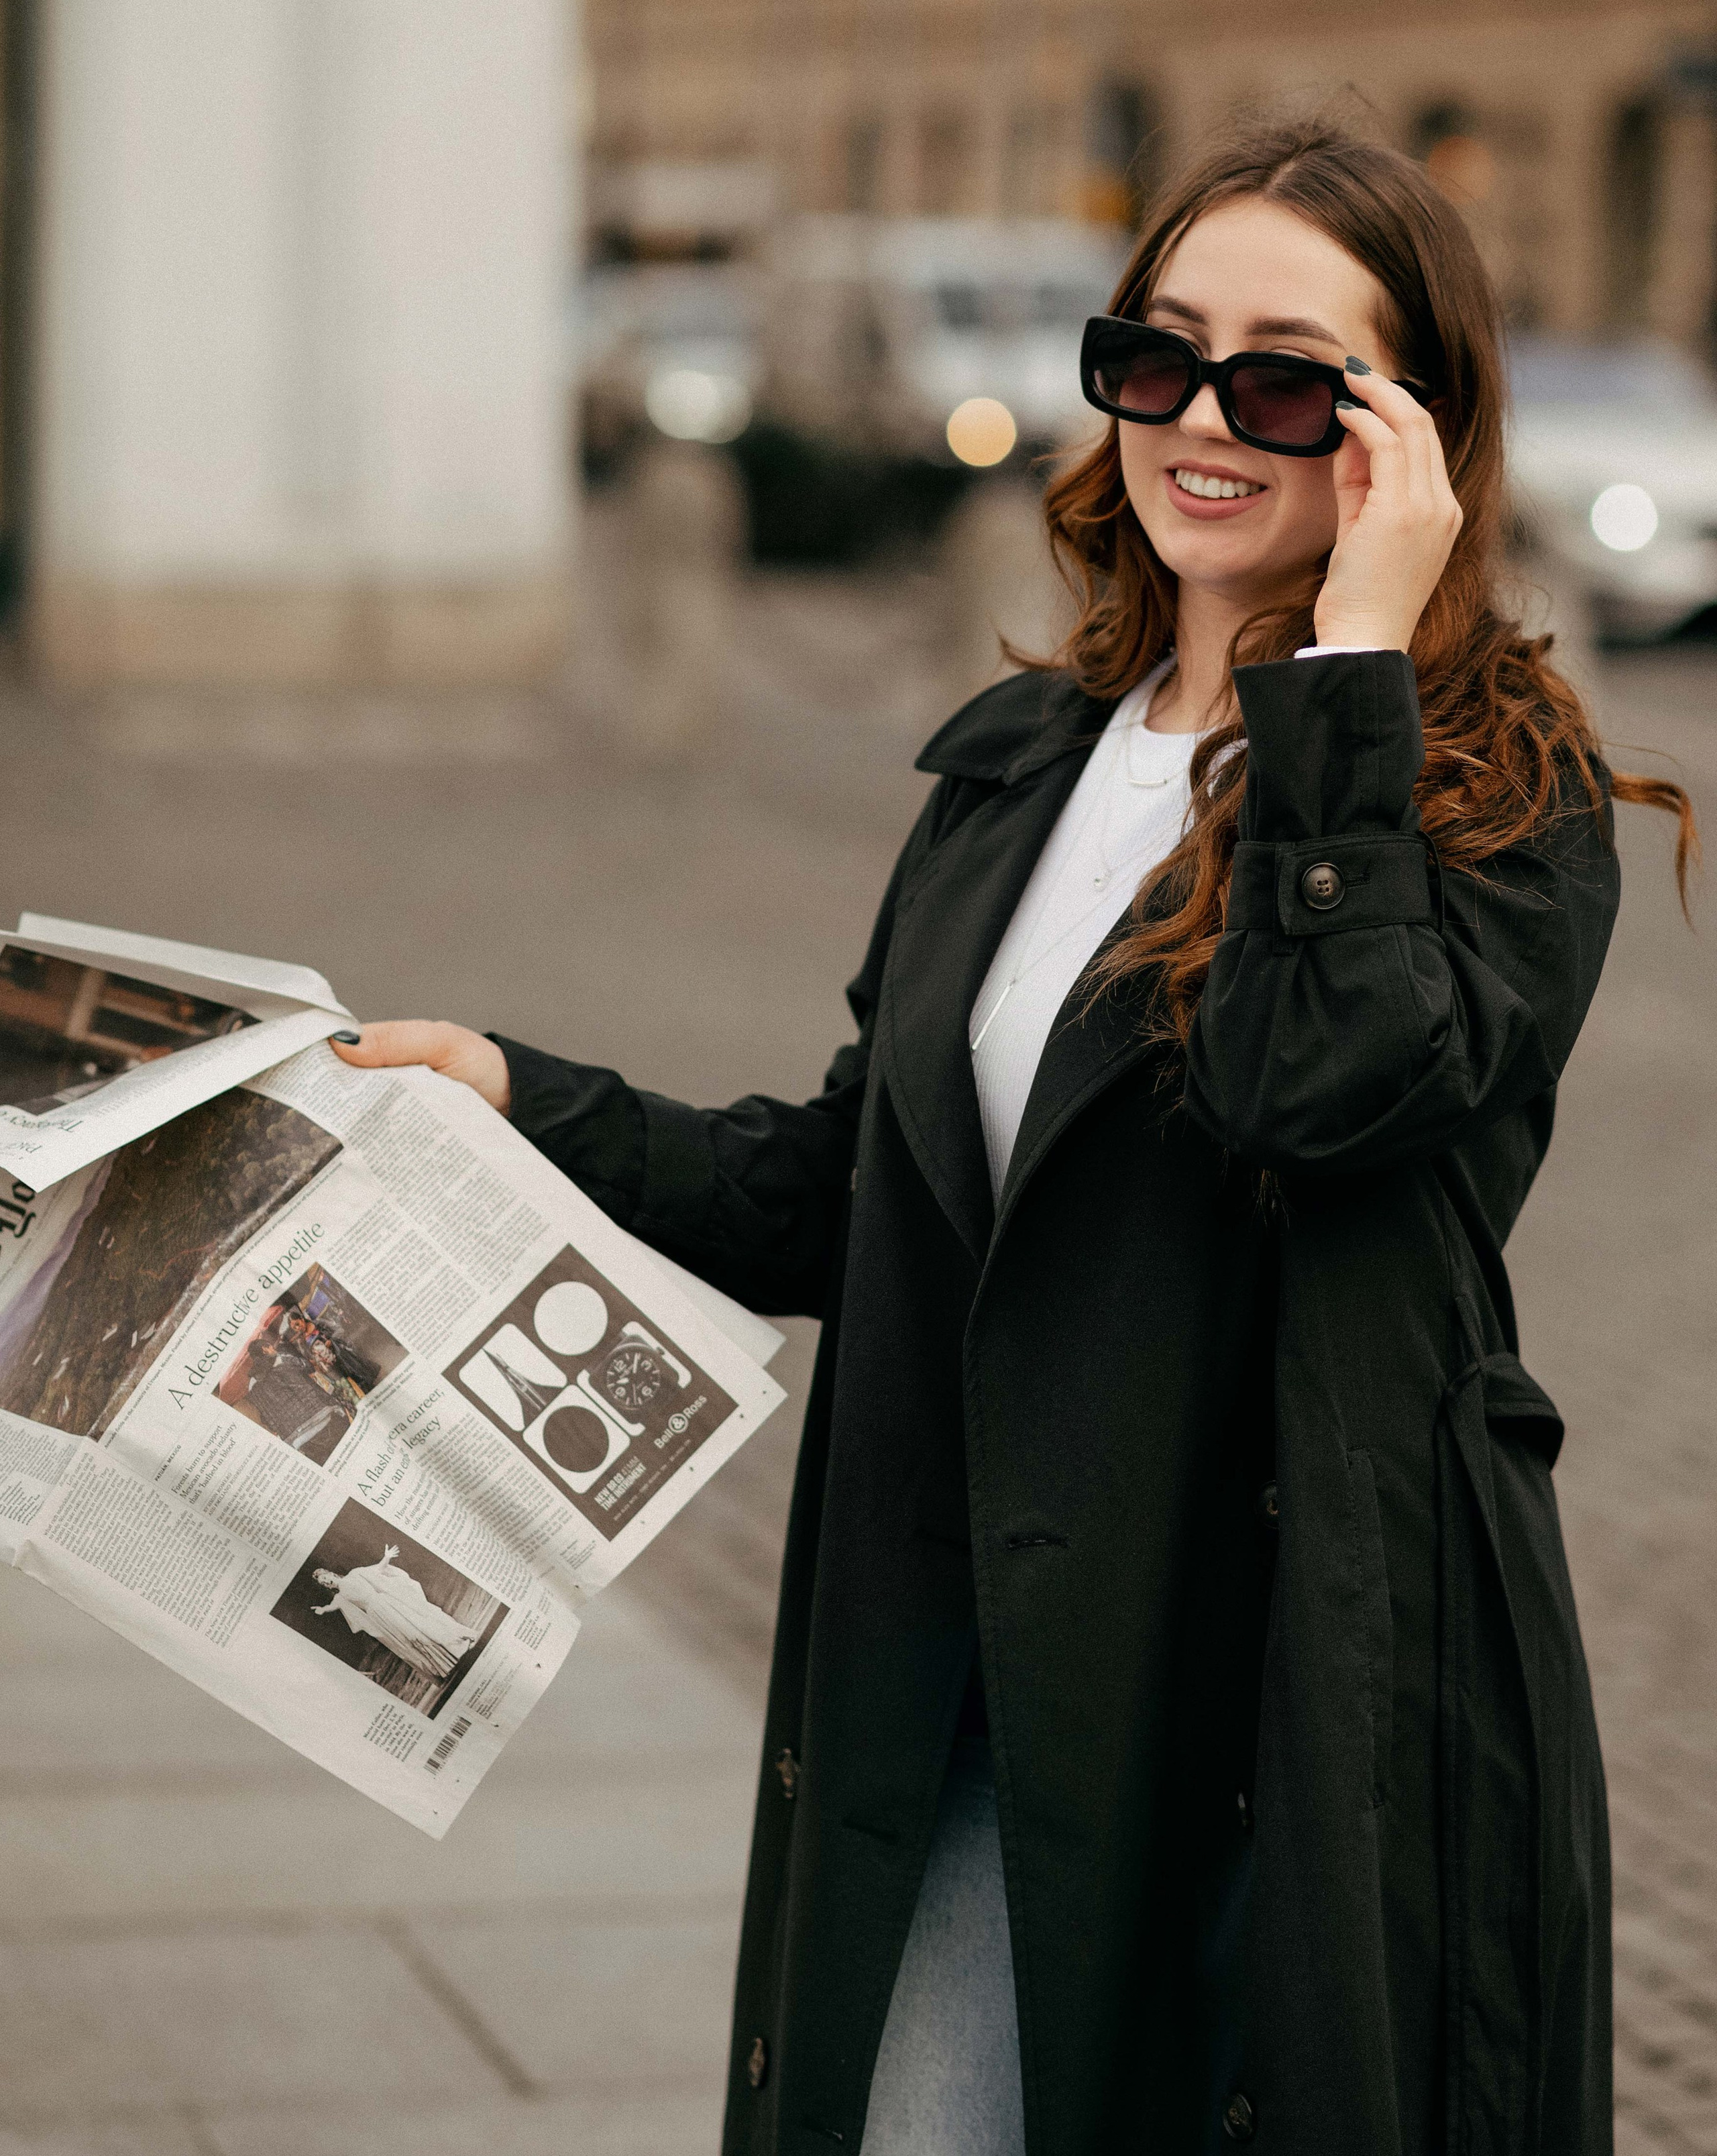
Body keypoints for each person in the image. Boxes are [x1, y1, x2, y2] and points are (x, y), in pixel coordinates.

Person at [333, 116, 1694, 2155]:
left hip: (1283, 1718)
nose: (1201, 421)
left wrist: (1341, 685)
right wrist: (519, 1098)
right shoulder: (1022, 768)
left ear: (1406, 431)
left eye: (1284, 377)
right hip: (966, 1668)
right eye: (1157, 356)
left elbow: (1305, 1095)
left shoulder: (1499, 797)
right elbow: (845, 1193)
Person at [310, 1542, 480, 1679]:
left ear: (332, 1574)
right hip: (379, 1616)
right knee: (411, 1637)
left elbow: (377, 1569)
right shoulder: (340, 1597)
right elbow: (332, 1606)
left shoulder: (355, 1574)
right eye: (324, 1583)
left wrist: (387, 1557)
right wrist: (323, 1610)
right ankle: (447, 1661)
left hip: (388, 1603)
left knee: (421, 1624)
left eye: (326, 1577)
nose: (327, 1581)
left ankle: (461, 1641)